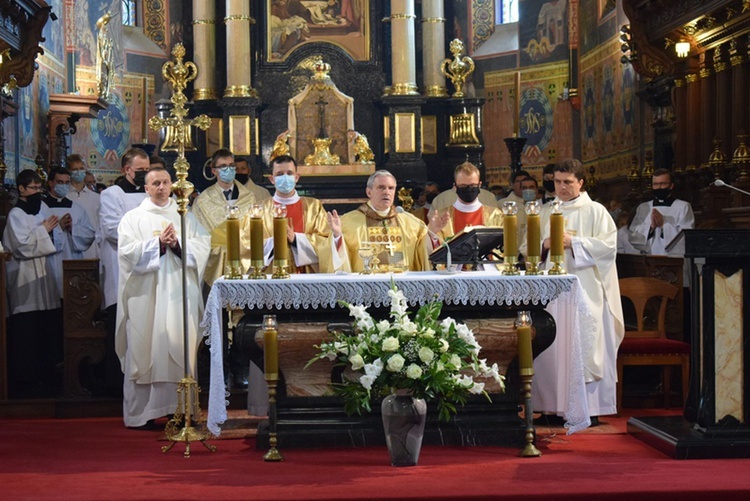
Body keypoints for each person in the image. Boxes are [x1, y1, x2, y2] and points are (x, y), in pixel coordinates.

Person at [116, 167, 211, 428]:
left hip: (179, 295)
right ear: (146, 188)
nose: (161, 187)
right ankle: (142, 413)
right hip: (145, 295)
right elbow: (125, 252)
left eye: (165, 182)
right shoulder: (132, 218)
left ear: (172, 185)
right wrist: (157, 245)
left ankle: (179, 410)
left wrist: (177, 245)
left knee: (179, 345)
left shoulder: (186, 217)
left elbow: (204, 246)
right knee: (144, 344)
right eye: (155, 183)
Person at [535, 159, 624, 424]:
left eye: (567, 182)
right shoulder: (544, 211)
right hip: (551, 294)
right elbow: (529, 250)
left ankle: (591, 410)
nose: (561, 187)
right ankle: (551, 409)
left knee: (587, 345)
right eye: (557, 182)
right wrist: (545, 244)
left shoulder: (595, 211)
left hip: (587, 291)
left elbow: (609, 248)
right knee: (551, 344)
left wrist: (573, 242)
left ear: (581, 183)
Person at [2, 170, 63, 397]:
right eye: (33, 188)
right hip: (25, 280)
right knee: (26, 333)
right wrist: (44, 230)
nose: (38, 192)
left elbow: (55, 240)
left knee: (46, 331)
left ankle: (47, 375)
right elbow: (22, 246)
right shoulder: (16, 214)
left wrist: (54, 231)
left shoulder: (43, 209)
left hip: (45, 279)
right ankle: (26, 381)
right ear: (21, 189)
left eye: (40, 188)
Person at [99, 148, 151, 395]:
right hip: (122, 271)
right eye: (140, 171)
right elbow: (112, 229)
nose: (145, 175)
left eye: (147, 170)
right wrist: (150, 239)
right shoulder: (112, 194)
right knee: (121, 328)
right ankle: (115, 385)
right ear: (125, 170)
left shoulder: (152, 194)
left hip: (150, 269)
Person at [320, 170, 435, 273]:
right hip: (365, 288)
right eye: (381, 187)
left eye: (391, 188)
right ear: (369, 192)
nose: (386, 192)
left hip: (402, 286)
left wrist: (433, 232)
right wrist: (337, 236)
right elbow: (335, 258)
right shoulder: (348, 222)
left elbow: (423, 253)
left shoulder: (410, 222)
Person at [192, 148, 257, 286]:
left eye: (231, 166)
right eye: (223, 166)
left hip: (244, 258)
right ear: (214, 170)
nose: (229, 170)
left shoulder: (249, 197)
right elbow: (196, 234)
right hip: (215, 259)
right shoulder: (203, 200)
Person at [254, 154, 330, 272]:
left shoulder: (314, 207)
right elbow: (246, 244)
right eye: (279, 174)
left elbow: (326, 242)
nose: (285, 177)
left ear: (296, 177)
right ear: (272, 179)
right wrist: (274, 242)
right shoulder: (258, 210)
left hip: (306, 277)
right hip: (270, 278)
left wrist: (296, 239)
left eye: (289, 173)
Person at [43, 167, 96, 292]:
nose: (64, 186)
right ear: (51, 183)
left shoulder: (77, 208)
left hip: (72, 259)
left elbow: (89, 234)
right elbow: (37, 237)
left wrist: (73, 229)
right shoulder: (41, 207)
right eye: (60, 182)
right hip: (50, 261)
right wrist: (59, 228)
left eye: (67, 182)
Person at [628, 168, 695, 259]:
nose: (659, 187)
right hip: (649, 258)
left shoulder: (683, 207)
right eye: (656, 184)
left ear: (671, 186)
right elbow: (633, 235)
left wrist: (663, 225)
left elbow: (687, 237)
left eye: (663, 184)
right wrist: (650, 228)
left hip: (674, 259)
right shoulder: (644, 208)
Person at [428, 161, 503, 242]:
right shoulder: (442, 217)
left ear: (479, 185)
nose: (468, 189)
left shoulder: (495, 215)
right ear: (455, 187)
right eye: (463, 186)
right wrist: (433, 232)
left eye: (473, 185)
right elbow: (433, 249)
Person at [66, 154, 101, 259]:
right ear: (69, 171)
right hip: (71, 246)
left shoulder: (96, 198)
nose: (78, 172)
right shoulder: (65, 196)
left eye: (81, 169)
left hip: (93, 247)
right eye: (75, 169)